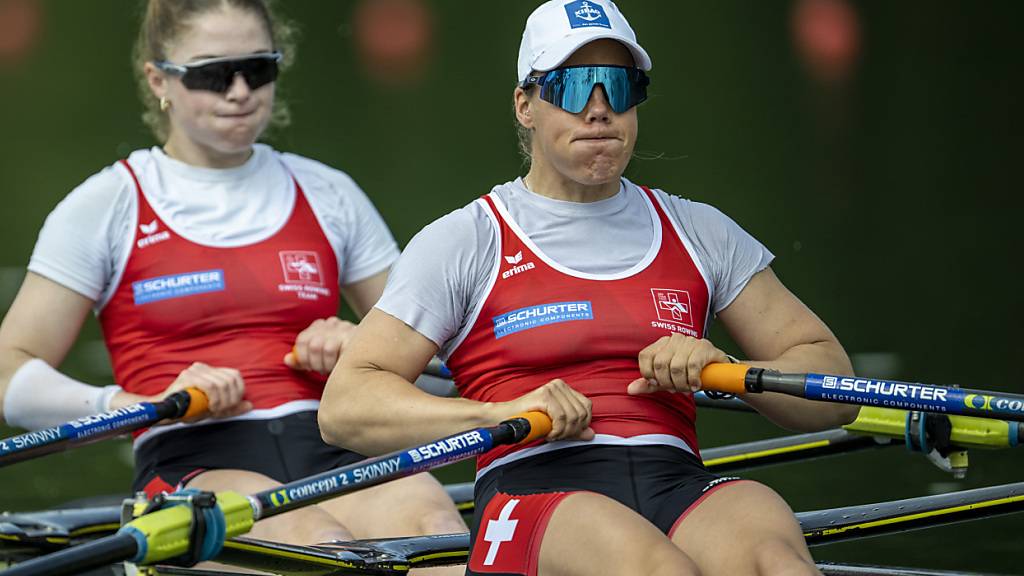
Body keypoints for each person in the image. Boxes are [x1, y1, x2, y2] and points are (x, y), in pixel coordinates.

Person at [319, 1, 859, 575]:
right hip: (533, 489)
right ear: (526, 105)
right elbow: (345, 405)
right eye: (575, 87)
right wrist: (498, 412)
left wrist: (724, 367)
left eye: (619, 88)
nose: (599, 110)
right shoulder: (467, 239)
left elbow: (838, 389)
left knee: (777, 560)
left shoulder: (699, 230)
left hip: (675, 480)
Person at [0, 0, 465, 555]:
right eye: (213, 73)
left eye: (258, 69)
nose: (240, 90)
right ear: (159, 81)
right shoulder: (107, 205)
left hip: (339, 442)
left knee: (434, 540)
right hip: (195, 453)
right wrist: (128, 403)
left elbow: (450, 372)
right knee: (319, 546)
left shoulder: (329, 193)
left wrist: (368, 351)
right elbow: (9, 372)